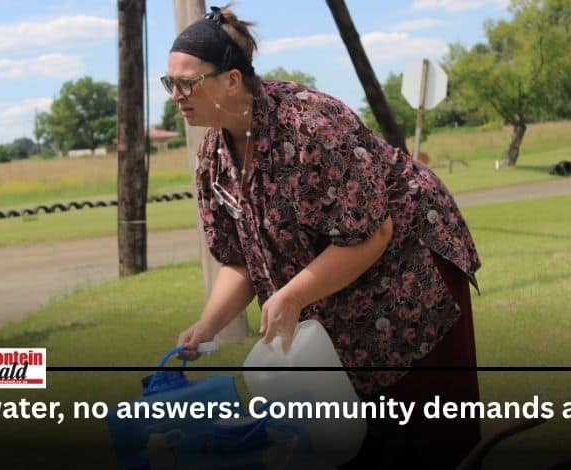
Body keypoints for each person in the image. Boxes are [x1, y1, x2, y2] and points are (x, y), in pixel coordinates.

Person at [168, 5, 482, 468]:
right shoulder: (213, 156)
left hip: (408, 270)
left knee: (422, 431)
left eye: (186, 83)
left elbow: (373, 234)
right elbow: (240, 259)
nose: (176, 95)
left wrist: (292, 296)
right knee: (347, 428)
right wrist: (208, 324)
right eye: (169, 84)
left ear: (232, 80)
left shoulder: (311, 125)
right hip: (337, 287)